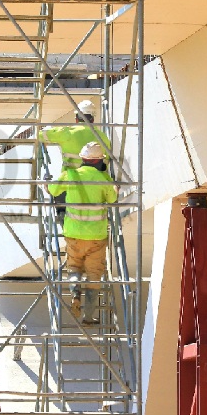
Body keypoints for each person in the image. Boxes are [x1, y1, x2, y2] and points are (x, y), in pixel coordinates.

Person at [47, 141, 117, 324]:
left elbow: (53, 190)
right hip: (97, 236)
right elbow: (113, 198)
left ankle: (75, 292)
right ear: (99, 161)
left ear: (83, 159)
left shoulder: (71, 174)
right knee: (94, 275)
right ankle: (88, 316)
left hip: (73, 234)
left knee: (74, 267)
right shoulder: (103, 179)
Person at [40, 99, 111, 170]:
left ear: (76, 118)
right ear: (92, 119)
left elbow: (39, 136)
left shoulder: (68, 132)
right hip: (97, 179)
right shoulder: (103, 137)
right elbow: (106, 161)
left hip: (72, 178)